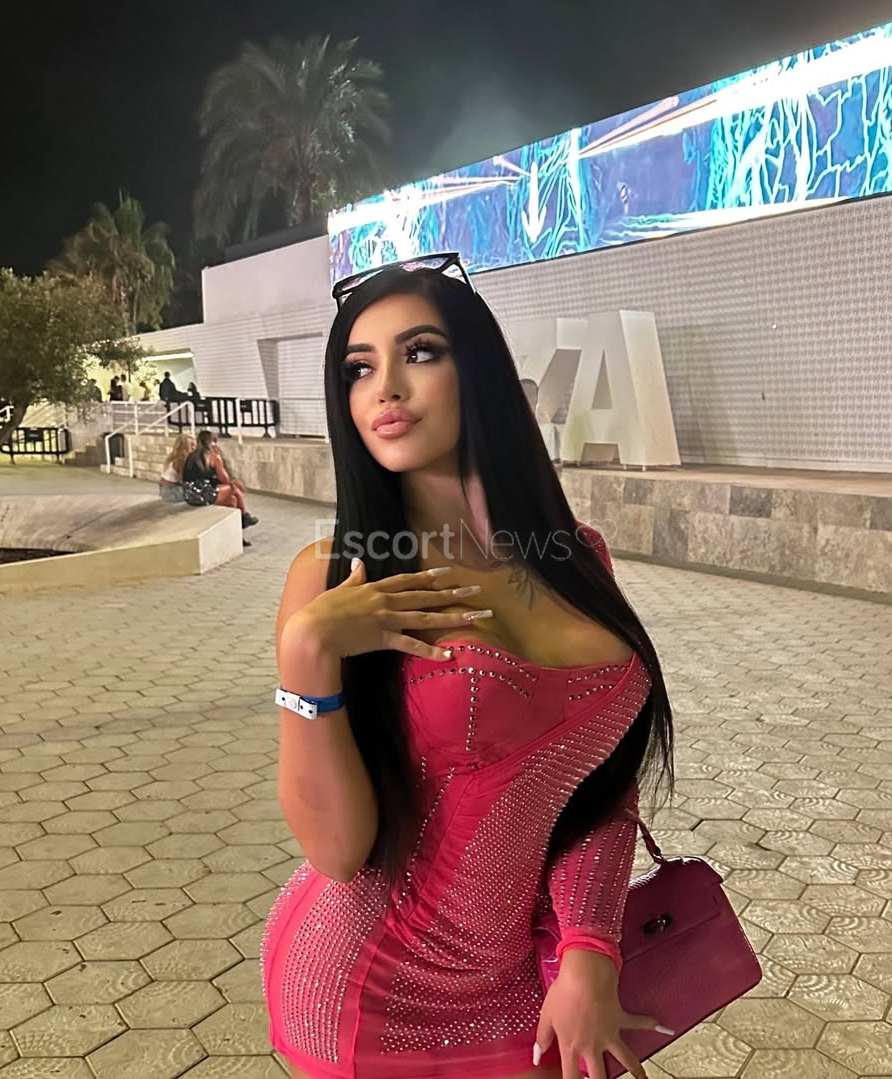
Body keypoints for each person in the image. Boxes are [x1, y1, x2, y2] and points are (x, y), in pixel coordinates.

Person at [262, 254, 675, 1079]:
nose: (385, 388)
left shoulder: (578, 558)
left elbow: (598, 780)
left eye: (419, 352)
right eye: (358, 368)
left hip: (522, 981)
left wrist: (590, 947)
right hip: (365, 994)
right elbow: (339, 852)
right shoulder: (337, 579)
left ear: (478, 370)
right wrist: (306, 656)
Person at [182, 430, 259, 531]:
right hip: (203, 495)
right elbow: (225, 479)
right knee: (234, 488)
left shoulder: (191, 456)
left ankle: (238, 529)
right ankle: (244, 517)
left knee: (233, 501)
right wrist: (220, 459)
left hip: (189, 495)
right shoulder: (213, 457)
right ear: (211, 443)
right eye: (215, 441)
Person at [159, 433, 196, 503]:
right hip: (171, 492)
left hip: (165, 490)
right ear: (184, 447)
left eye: (194, 445)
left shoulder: (173, 456)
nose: (194, 448)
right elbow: (183, 480)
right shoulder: (181, 460)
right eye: (191, 445)